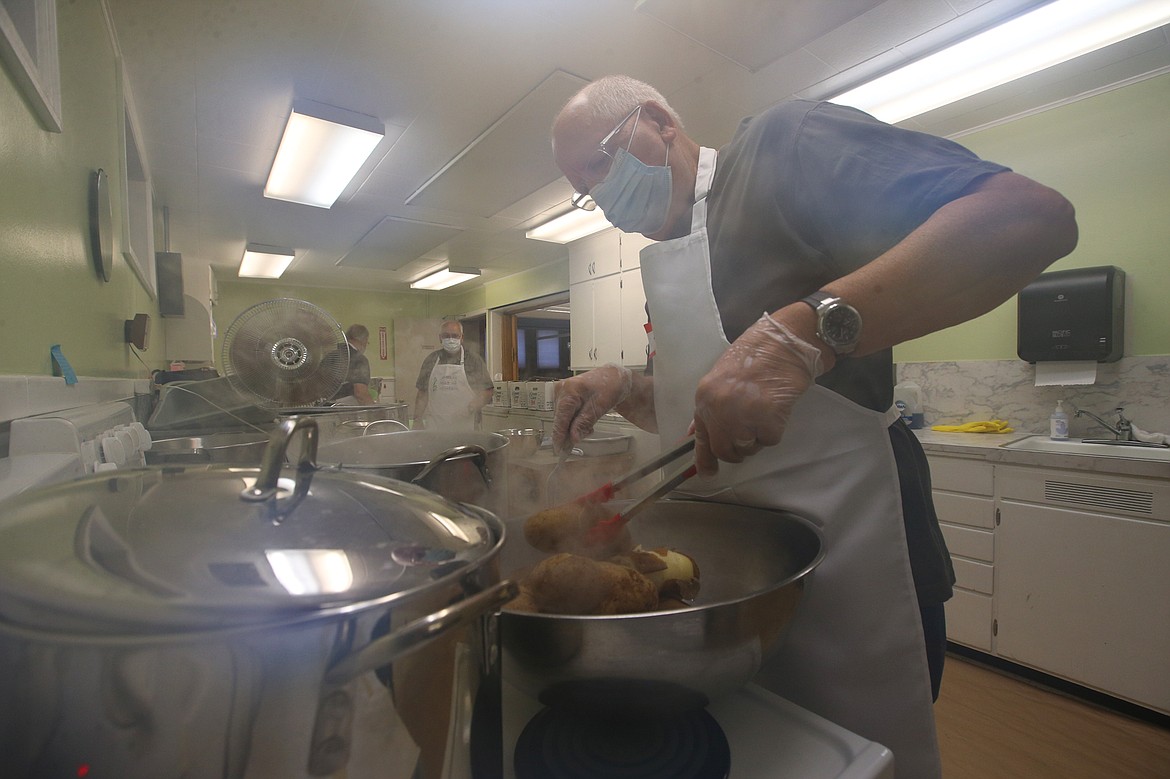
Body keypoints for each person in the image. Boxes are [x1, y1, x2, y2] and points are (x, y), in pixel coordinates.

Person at [550, 75, 1077, 778]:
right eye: (584, 188)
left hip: (853, 559)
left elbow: (1032, 217)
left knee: (860, 757)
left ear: (658, 121)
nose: (602, 196)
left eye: (602, 161)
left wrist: (805, 333)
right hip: (746, 589)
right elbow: (701, 413)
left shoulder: (783, 146)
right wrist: (626, 387)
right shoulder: (669, 254)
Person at [413, 320, 494, 430]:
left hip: (467, 426)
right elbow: (422, 393)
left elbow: (487, 392)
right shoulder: (431, 360)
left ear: (462, 337)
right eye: (446, 336)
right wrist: (417, 420)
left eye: (455, 336)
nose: (450, 339)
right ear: (440, 338)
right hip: (435, 426)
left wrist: (471, 407)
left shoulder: (473, 360)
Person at [330, 324, 374, 405]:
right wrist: (376, 412)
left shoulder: (330, 357)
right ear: (364, 340)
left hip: (324, 410)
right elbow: (360, 393)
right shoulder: (359, 359)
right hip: (346, 411)